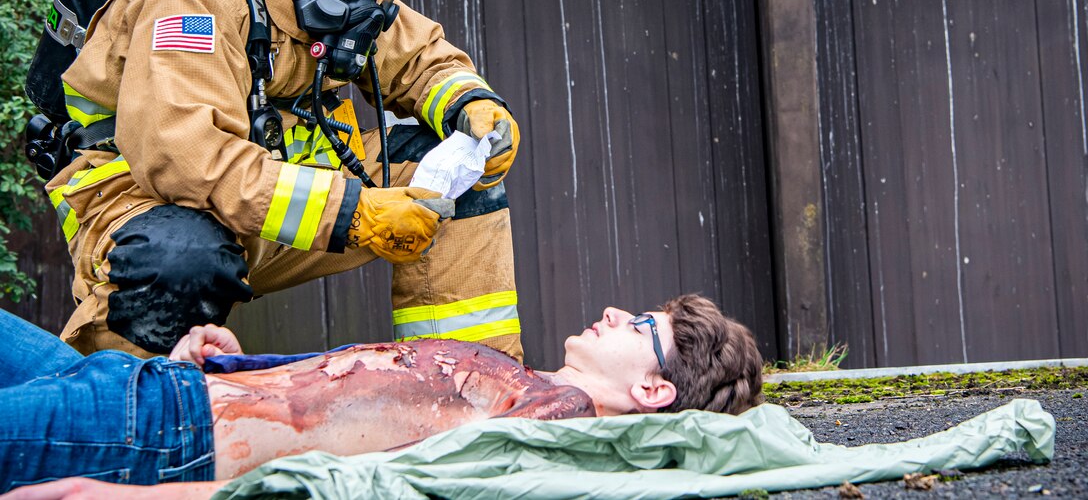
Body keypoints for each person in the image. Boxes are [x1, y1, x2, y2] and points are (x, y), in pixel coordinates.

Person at [43, 0, 524, 361]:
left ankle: (466, 391)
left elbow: (421, 56)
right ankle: (134, 419)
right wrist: (354, 213)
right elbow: (185, 159)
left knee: (459, 180)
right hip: (148, 214)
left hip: (273, 206)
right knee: (180, 258)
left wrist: (473, 103)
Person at [0, 294, 763, 497]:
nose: (612, 313)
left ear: (652, 387)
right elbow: (352, 404)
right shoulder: (524, 382)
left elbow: (350, 488)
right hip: (144, 384)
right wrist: (231, 367)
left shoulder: (548, 426)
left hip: (150, 437)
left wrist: (131, 498)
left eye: (639, 325)